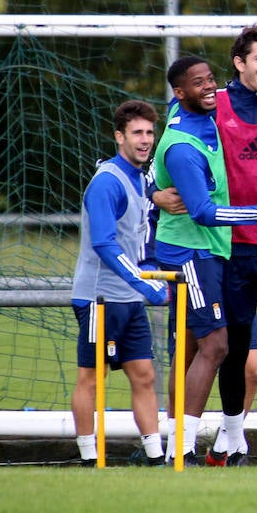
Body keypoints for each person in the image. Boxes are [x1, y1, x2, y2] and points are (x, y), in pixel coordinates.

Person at [152, 56, 257, 465]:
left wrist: (153, 185)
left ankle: (195, 446)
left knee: (202, 350)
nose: (206, 87)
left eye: (209, 80)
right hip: (191, 252)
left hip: (217, 253)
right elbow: (202, 212)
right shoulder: (184, 146)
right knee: (213, 347)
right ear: (179, 93)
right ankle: (181, 449)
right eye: (195, 83)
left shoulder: (212, 111)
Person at [69, 100, 171, 467]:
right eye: (137, 133)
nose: (145, 140)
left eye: (149, 133)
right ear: (119, 137)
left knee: (144, 375)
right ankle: (87, 457)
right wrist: (144, 283)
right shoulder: (106, 182)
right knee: (91, 378)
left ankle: (156, 458)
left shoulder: (142, 179)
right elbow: (104, 243)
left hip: (129, 298)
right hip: (99, 299)